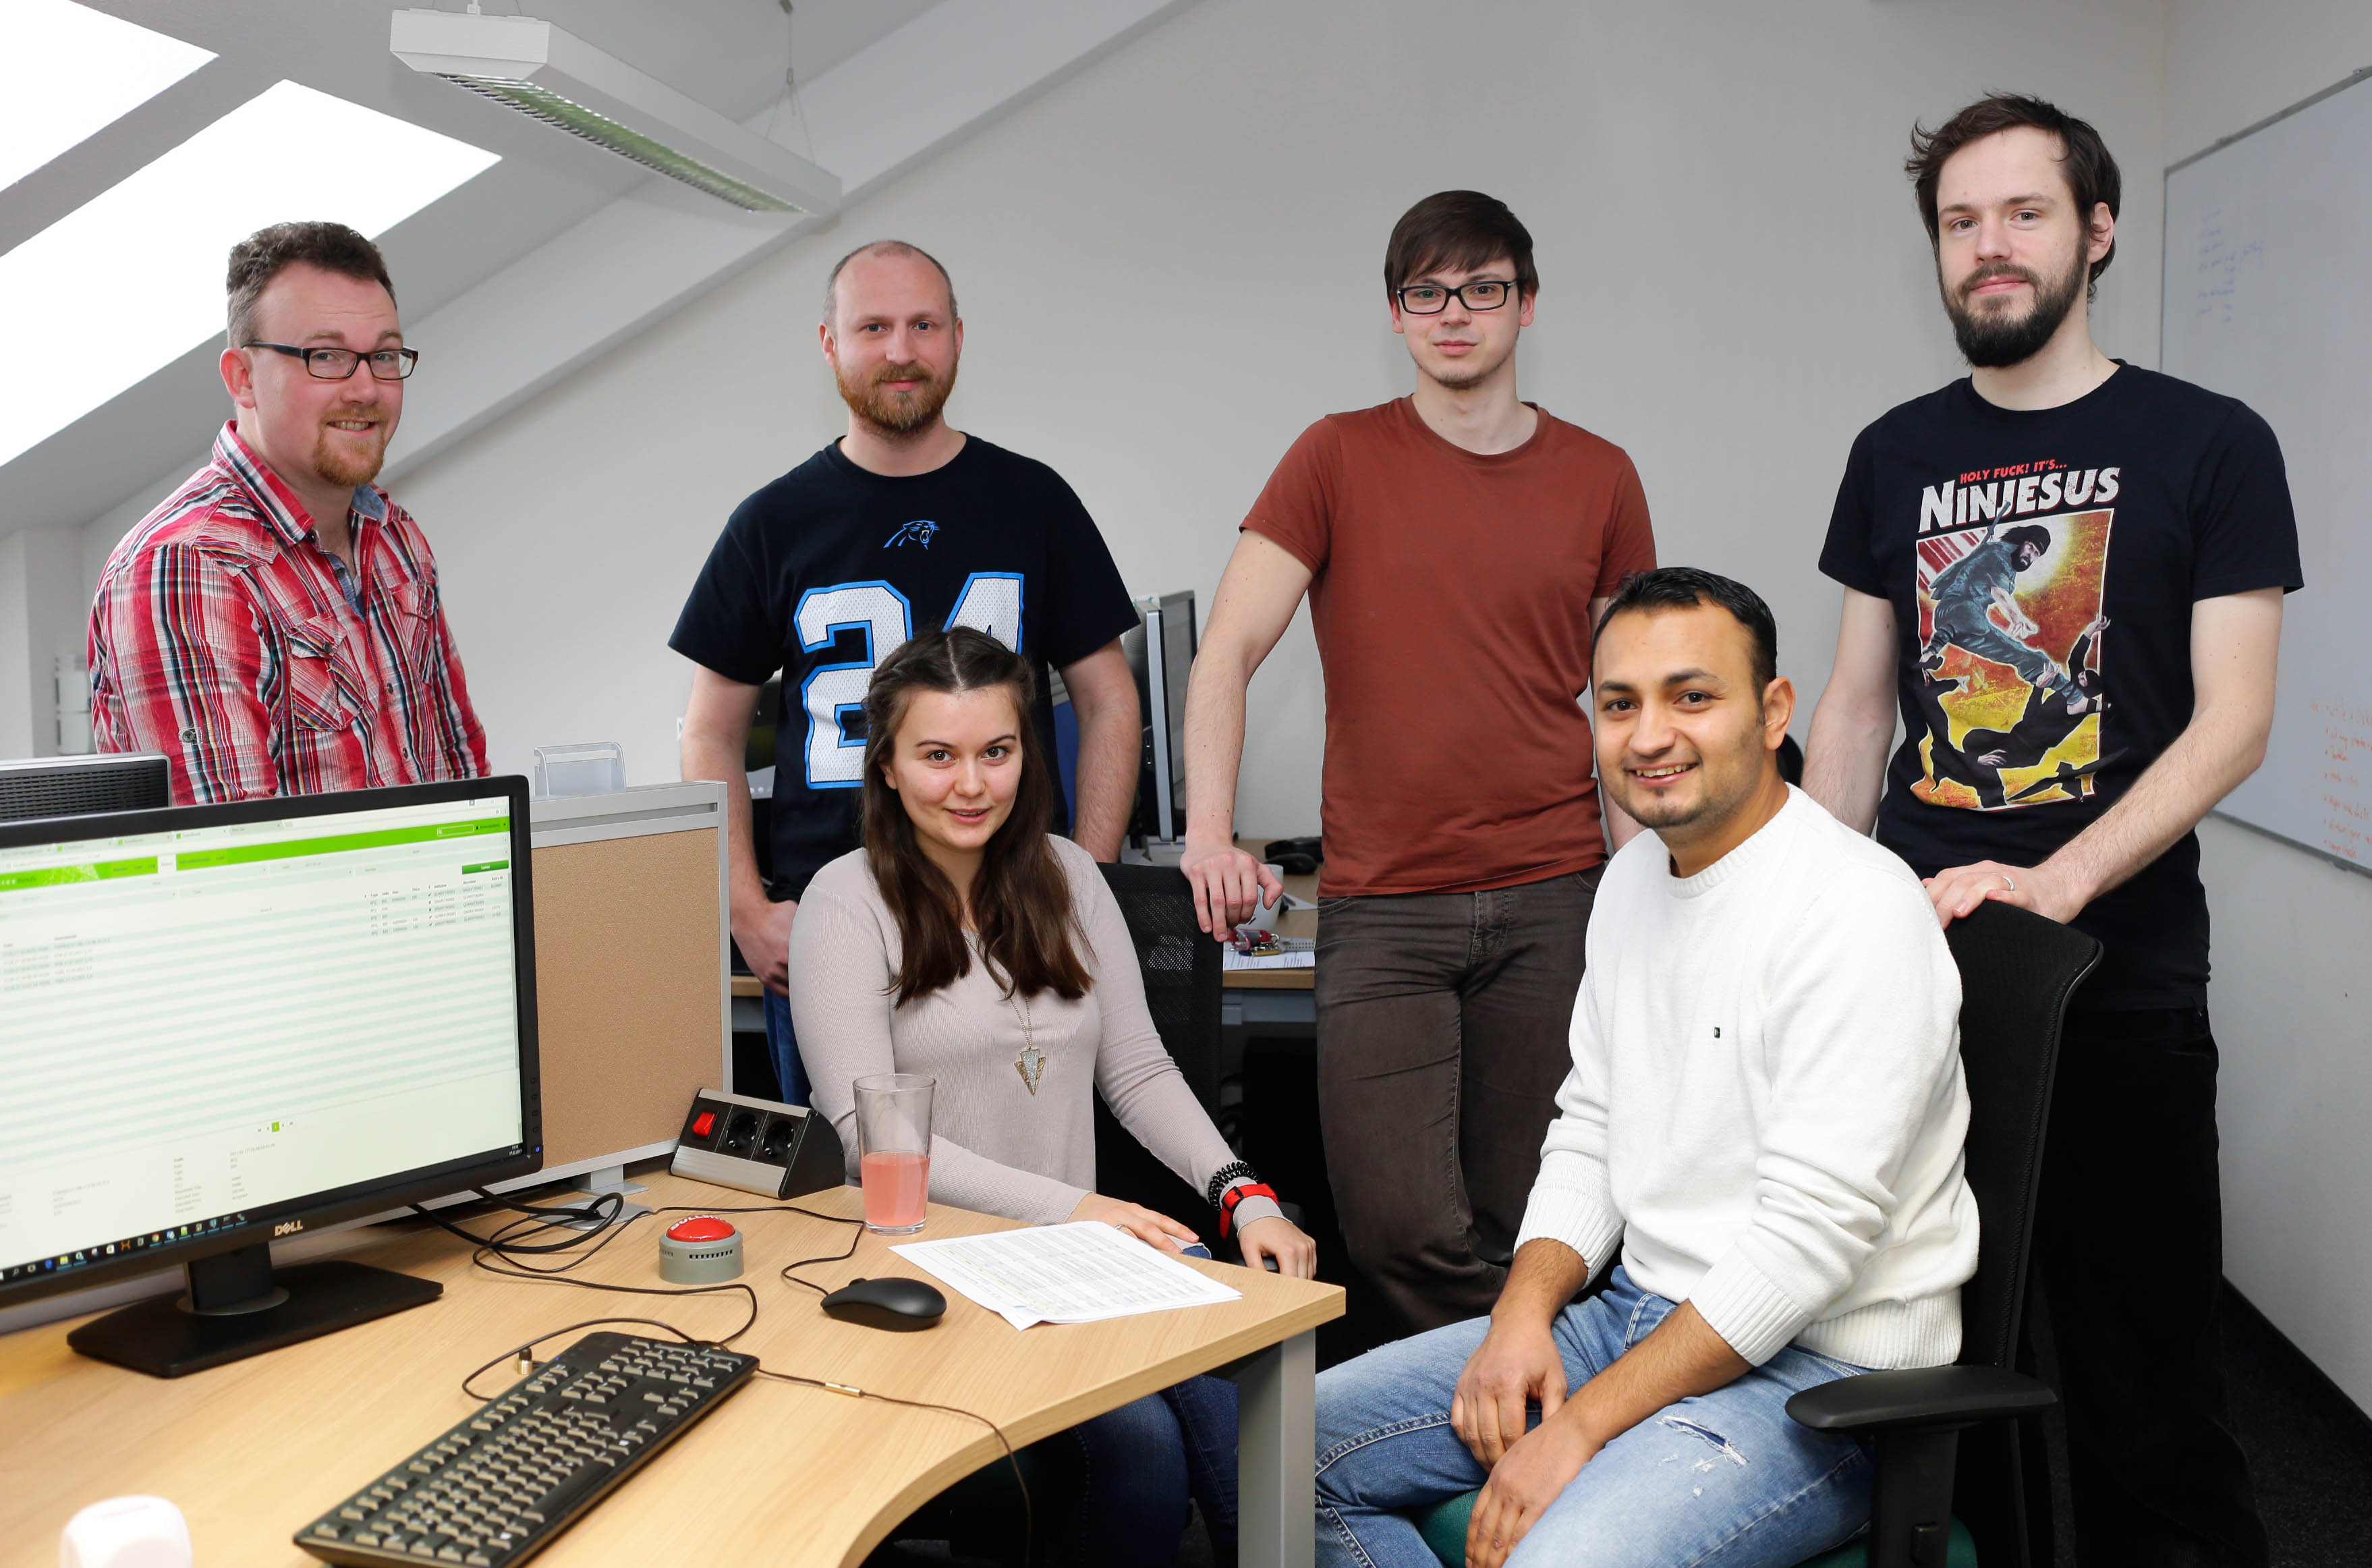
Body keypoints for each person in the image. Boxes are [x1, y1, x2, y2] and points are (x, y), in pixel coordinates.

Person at [1803, 93, 2299, 1568]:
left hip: (2118, 984)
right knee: (1922, 1369)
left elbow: (2236, 721)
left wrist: (2057, 879)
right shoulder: (1894, 451)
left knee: (2149, 1392)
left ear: (2097, 231)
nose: (1989, 246)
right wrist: (1802, 921)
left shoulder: (2210, 441)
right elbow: (1855, 710)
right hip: (1916, 979)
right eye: (1960, 221)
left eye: (2023, 213)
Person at [1313, 568, 1975, 1568]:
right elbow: (1592, 1126)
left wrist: (1577, 1429)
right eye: (1620, 704)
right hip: (1635, 1315)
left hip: (1823, 1377)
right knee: (1289, 1448)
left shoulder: (1855, 909)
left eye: (1691, 696)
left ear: (1773, 711)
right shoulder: (1631, 879)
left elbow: (1803, 1248)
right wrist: (1520, 1315)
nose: (1650, 735)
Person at [1179, 190, 1657, 1333]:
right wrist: (1206, 832)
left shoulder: (1600, 475)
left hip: (1554, 892)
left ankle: (1507, 1423)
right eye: (1427, 292)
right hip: (1384, 904)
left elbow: (1631, 700)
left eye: (1482, 288)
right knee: (1393, 1229)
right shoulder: (1334, 456)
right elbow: (1225, 652)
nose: (1454, 313)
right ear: (1395, 313)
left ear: (1525, 304)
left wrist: (1649, 884)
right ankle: (1504, 1397)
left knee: (1535, 1217)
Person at [789, 626, 1318, 1563]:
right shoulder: (845, 901)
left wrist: (1245, 1192)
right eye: (938, 755)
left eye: (996, 751)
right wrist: (1082, 1212)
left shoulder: (1068, 875)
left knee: (1239, 1369)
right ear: (887, 767)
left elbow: (1140, 1067)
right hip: (936, 1279)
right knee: (1145, 1452)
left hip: (1079, 1268)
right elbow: (880, 1144)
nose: (971, 784)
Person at [672, 240, 1143, 1106]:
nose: (901, 350)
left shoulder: (1035, 501)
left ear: (958, 336)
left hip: (1013, 918)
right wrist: (746, 910)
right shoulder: (773, 522)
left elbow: (1110, 700)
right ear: (829, 343)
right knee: (854, 1181)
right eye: (874, 327)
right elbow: (710, 731)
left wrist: (1090, 882)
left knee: (1029, 1164)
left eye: (924, 325)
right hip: (835, 929)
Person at [89, 222, 486, 804]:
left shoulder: (394, 535)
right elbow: (229, 846)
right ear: (243, 379)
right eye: (326, 356)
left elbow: (468, 777)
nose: (365, 389)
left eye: (383, 356)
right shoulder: (187, 569)